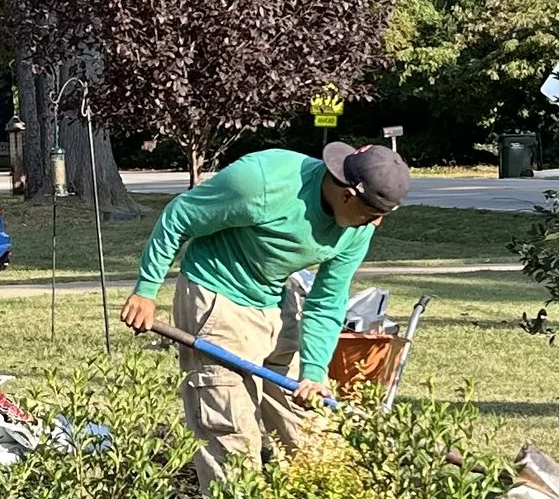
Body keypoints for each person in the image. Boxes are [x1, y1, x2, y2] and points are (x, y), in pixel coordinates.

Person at [120, 140, 410, 479]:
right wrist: (146, 290)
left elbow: (327, 299)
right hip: (217, 297)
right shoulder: (261, 182)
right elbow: (180, 216)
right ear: (348, 194)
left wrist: (313, 374)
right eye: (372, 215)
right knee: (232, 435)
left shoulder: (357, 228)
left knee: (311, 427)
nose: (375, 225)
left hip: (276, 301)